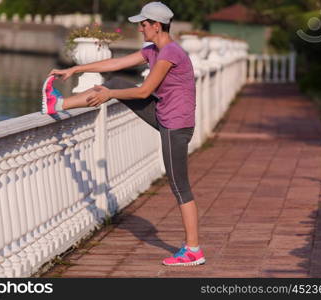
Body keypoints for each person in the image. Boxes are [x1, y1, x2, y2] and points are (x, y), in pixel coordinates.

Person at [45, 1, 205, 266]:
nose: (140, 29)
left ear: (156, 25)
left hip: (175, 125)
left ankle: (193, 250)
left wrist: (110, 95)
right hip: (164, 114)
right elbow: (116, 63)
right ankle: (58, 104)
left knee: (180, 187)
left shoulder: (169, 53)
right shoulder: (154, 50)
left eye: (143, 25)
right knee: (118, 80)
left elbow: (143, 91)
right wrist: (75, 69)